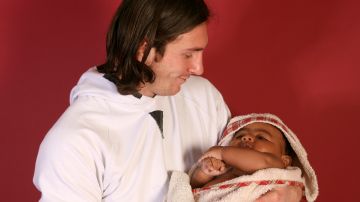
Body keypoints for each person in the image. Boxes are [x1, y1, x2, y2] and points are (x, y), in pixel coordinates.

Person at [33, 0, 303, 201]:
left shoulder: (203, 96)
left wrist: (286, 191)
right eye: (188, 54)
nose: (199, 68)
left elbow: (260, 175)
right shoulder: (74, 144)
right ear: (144, 49)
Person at [167, 113, 318, 202]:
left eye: (261, 137)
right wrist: (205, 171)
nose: (247, 138)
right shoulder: (226, 168)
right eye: (239, 136)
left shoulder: (274, 164)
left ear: (285, 160)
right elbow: (196, 187)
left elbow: (263, 161)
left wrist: (223, 152)